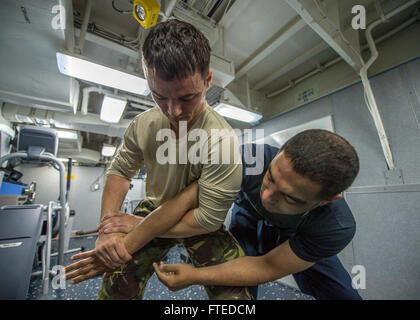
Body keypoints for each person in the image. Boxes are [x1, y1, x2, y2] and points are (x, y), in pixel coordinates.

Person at [65, 19, 252, 300]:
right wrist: (107, 230)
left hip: (196, 220)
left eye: (187, 97)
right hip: (153, 207)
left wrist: (138, 227)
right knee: (116, 278)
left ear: (208, 80)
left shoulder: (222, 142)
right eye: (159, 96)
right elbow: (120, 172)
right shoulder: (143, 125)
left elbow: (207, 220)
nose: (173, 110)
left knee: (234, 294)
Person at [152, 129, 363, 300]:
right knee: (238, 294)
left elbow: (267, 266)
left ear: (326, 200)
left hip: (299, 234)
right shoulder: (250, 160)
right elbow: (187, 199)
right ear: (280, 152)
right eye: (270, 177)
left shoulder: (335, 226)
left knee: (343, 296)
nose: (267, 196)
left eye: (290, 198)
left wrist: (195, 276)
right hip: (249, 218)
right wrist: (143, 225)